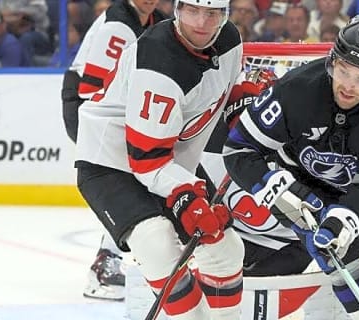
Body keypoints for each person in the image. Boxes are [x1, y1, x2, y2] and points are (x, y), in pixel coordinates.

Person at [224, 14, 359, 320]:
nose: (348, 86)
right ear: (333, 61)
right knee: (343, 265)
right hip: (305, 190)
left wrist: (346, 217)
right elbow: (238, 149)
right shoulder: (296, 90)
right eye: (344, 71)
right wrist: (272, 185)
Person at [74, 0, 245, 317]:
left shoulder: (230, 40)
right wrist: (188, 199)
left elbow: (230, 86)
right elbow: (147, 161)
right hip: (110, 161)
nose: (200, 22)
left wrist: (242, 103)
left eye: (212, 13)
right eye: (192, 10)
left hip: (168, 159)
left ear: (225, 15)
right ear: (178, 8)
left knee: (227, 250)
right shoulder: (158, 61)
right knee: (157, 245)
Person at [59, 0, 167, 301]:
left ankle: (112, 259)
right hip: (90, 110)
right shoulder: (120, 24)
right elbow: (92, 91)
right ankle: (105, 266)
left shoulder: (155, 21)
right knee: (126, 179)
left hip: (108, 109)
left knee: (137, 178)